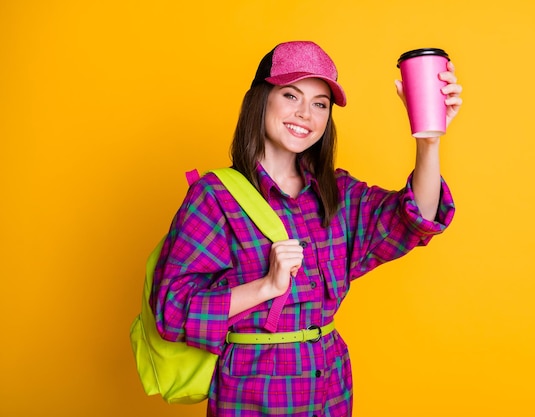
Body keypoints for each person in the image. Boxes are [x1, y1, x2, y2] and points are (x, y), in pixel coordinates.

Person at [152, 40, 462, 417]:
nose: (305, 114)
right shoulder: (216, 197)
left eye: (320, 104)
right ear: (261, 98)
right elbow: (172, 311)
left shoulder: (338, 193)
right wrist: (266, 286)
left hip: (329, 384)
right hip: (253, 392)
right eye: (290, 95)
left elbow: (414, 219)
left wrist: (428, 141)